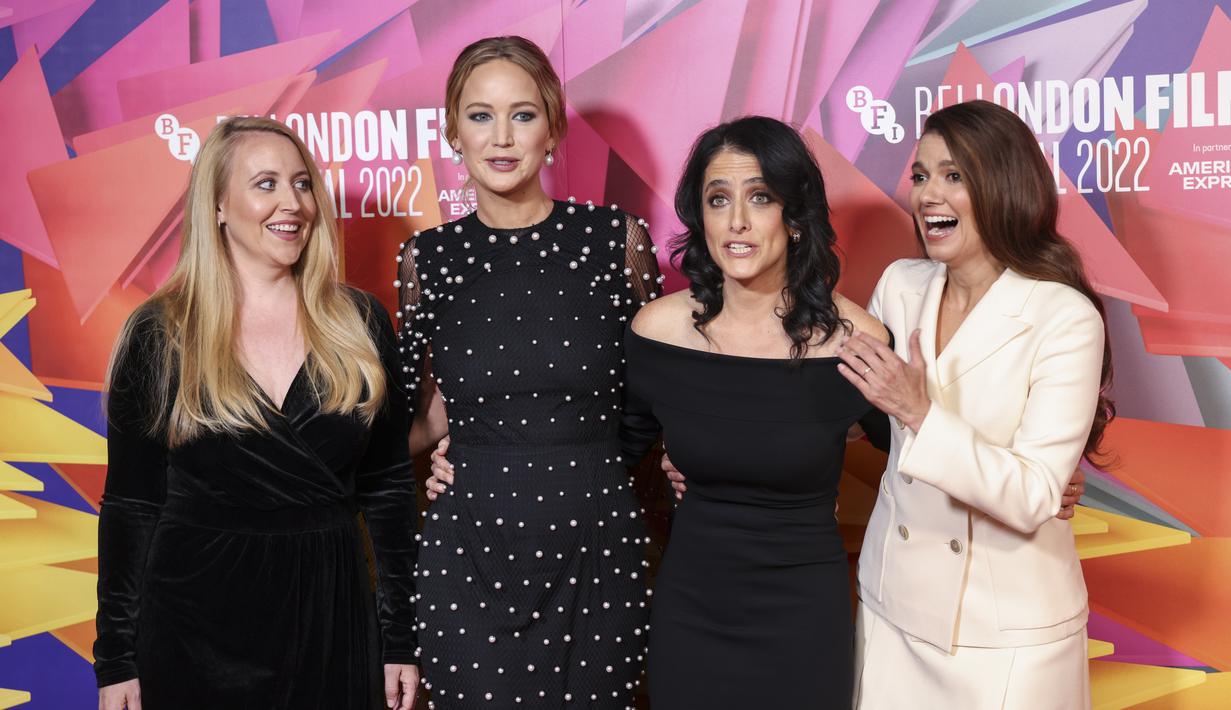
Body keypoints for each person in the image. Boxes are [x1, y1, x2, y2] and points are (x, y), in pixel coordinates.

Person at [94, 117, 419, 710]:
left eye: (301, 184)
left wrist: (401, 637)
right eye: (265, 183)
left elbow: (389, 488)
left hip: (331, 615)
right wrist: (115, 658)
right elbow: (131, 506)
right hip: (195, 629)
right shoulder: (161, 334)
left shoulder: (360, 323)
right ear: (217, 205)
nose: (291, 202)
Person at [395, 36, 662, 707]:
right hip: (468, 550)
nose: (501, 136)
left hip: (598, 540)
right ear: (452, 131)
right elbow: (407, 418)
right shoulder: (428, 259)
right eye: (480, 115)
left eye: (522, 113)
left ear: (553, 127)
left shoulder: (613, 241)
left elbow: (659, 398)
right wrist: (443, 454)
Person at [839, 99, 1113, 709]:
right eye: (920, 175)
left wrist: (919, 412)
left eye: (953, 176)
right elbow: (847, 417)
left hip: (1008, 635)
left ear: (1004, 186)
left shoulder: (1064, 317)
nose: (927, 195)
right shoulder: (899, 286)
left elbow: (1032, 496)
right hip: (894, 609)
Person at [614, 116, 889, 708]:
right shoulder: (659, 332)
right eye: (719, 200)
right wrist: (477, 457)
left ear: (794, 218)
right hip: (692, 611)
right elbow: (607, 454)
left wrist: (1031, 471)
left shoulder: (855, 341)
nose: (736, 221)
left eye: (759, 197)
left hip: (803, 618)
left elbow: (920, 457)